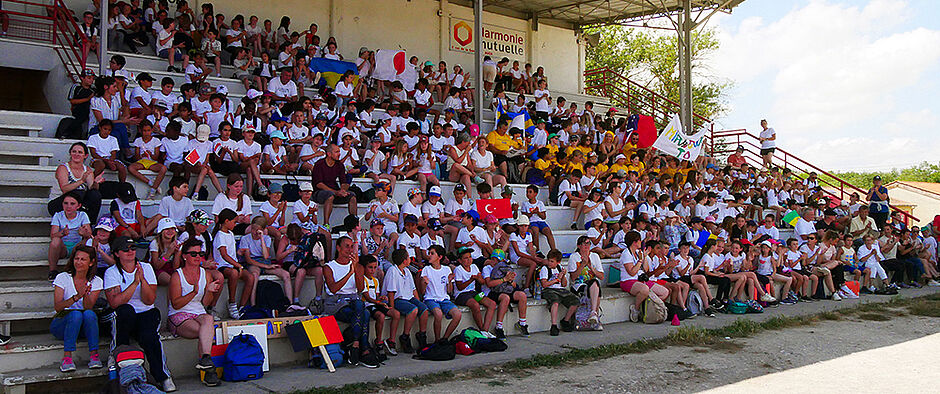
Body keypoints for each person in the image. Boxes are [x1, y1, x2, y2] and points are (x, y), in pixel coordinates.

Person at [104, 236, 175, 392]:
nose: (130, 252)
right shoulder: (111, 272)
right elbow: (115, 303)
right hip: (124, 315)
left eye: (133, 248)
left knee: (150, 337)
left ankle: (163, 377)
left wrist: (142, 280)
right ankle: (116, 354)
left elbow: (149, 300)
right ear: (116, 253)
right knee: (125, 311)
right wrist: (135, 282)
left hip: (145, 312)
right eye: (125, 249)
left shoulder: (146, 268)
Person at [167, 238, 223, 387]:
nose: (198, 257)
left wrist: (209, 291)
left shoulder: (206, 274)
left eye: (200, 254)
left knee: (208, 319)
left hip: (198, 312)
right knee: (204, 332)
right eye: (193, 254)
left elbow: (205, 303)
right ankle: (209, 371)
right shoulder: (177, 275)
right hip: (179, 315)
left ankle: (206, 359)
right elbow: (176, 304)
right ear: (184, 256)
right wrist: (194, 292)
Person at [324, 236, 380, 367]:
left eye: (351, 246)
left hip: (354, 301)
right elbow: (333, 289)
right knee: (364, 312)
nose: (350, 249)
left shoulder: (358, 266)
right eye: (347, 246)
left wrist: (356, 270)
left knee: (363, 309)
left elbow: (360, 289)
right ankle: (364, 349)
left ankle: (355, 345)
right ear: (338, 248)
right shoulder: (328, 267)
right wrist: (350, 273)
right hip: (337, 302)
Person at [51, 245, 103, 372]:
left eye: (83, 259)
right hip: (62, 324)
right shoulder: (62, 277)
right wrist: (76, 297)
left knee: (89, 314)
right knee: (75, 314)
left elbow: (88, 307)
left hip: (83, 326)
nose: (78, 262)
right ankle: (67, 358)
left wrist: (85, 295)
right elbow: (58, 307)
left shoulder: (96, 281)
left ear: (91, 263)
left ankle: (94, 356)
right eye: (76, 258)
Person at [385, 249, 429, 353]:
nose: (410, 259)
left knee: (424, 309)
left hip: (409, 298)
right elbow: (391, 292)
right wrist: (392, 307)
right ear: (404, 260)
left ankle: (422, 335)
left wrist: (419, 302)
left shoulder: (407, 271)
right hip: (397, 299)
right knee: (413, 310)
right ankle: (405, 336)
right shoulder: (393, 270)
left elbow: (413, 289)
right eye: (408, 257)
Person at [358, 254, 398, 357]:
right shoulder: (362, 279)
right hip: (367, 305)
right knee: (381, 316)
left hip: (375, 303)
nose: (373, 270)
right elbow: (367, 297)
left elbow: (376, 296)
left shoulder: (375, 280)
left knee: (396, 314)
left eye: (375, 267)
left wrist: (381, 299)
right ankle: (378, 341)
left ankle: (391, 340)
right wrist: (378, 302)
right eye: (370, 267)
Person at [420, 245, 462, 342]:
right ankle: (437, 340)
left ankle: (445, 338)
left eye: (432, 253)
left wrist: (450, 281)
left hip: (444, 299)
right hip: (430, 299)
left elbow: (449, 291)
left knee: (458, 314)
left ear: (440, 257)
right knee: (438, 314)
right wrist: (424, 283)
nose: (429, 255)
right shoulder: (426, 269)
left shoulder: (446, 269)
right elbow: (422, 291)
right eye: (429, 253)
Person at [484, 249, 529, 338]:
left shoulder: (504, 267)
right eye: (493, 259)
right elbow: (489, 284)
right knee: (505, 298)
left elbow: (514, 284)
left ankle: (522, 323)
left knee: (522, 295)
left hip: (506, 289)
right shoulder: (487, 268)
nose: (495, 262)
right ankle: (499, 327)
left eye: (498, 260)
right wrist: (504, 279)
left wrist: (510, 280)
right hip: (492, 292)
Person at [312, 144, 359, 227]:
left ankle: (355, 224)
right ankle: (326, 224)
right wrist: (336, 192)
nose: (339, 154)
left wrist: (343, 191)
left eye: (339, 152)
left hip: (335, 191)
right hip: (319, 192)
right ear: (329, 154)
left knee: (352, 196)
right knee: (330, 195)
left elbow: (343, 182)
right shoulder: (319, 164)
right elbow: (319, 184)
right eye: (336, 152)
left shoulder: (339, 165)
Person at [49, 192, 92, 281]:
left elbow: (90, 235)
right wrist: (62, 233)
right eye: (66, 203)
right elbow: (53, 235)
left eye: (72, 204)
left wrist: (84, 234)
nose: (68, 206)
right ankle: (53, 271)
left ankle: (86, 272)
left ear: (78, 206)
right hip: (63, 248)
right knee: (55, 240)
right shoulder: (58, 215)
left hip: (78, 246)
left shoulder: (82, 215)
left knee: (88, 241)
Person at [453, 247, 497, 332]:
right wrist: (471, 280)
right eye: (466, 258)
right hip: (461, 295)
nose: (469, 259)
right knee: (475, 305)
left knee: (492, 304)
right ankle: (482, 329)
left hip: (472, 292)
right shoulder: (458, 269)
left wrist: (478, 278)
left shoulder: (474, 266)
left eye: (470, 257)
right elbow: (460, 287)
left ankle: (485, 330)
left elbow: (483, 282)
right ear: (460, 260)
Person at [568, 235, 605, 328]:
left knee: (595, 284)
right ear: (579, 246)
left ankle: (593, 314)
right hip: (578, 285)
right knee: (594, 287)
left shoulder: (595, 256)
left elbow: (601, 276)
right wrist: (582, 265)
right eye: (584, 244)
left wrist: (591, 268)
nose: (587, 246)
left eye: (588, 243)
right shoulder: (574, 257)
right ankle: (594, 318)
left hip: (592, 284)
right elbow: (573, 277)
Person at [541, 249, 579, 335]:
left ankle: (565, 320)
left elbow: (564, 284)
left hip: (560, 290)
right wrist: (556, 280)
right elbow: (544, 284)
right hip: (549, 290)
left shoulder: (559, 268)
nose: (549, 263)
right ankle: (554, 325)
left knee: (575, 301)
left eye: (552, 261)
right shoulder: (545, 269)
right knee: (555, 302)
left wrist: (563, 276)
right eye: (549, 260)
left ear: (558, 262)